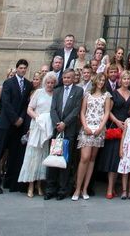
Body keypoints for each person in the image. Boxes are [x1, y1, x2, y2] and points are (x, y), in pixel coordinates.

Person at [0, 58, 32, 194]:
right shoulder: (8, 83)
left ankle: (9, 180)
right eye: (20, 68)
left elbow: (25, 103)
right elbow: (6, 103)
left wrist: (20, 118)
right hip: (5, 123)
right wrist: (15, 118)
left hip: (18, 125)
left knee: (14, 153)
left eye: (25, 68)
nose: (22, 70)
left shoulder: (27, 84)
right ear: (17, 68)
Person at [44, 67, 84, 200]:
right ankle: (50, 189)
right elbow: (53, 109)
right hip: (57, 130)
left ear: (73, 78)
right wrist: (57, 124)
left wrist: (64, 124)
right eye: (65, 77)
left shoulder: (78, 91)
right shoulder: (57, 90)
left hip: (69, 130)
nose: (66, 80)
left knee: (65, 160)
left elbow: (76, 110)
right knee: (53, 159)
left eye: (69, 78)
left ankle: (62, 189)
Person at [72, 72, 111, 200]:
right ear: (95, 81)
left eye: (103, 80)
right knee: (85, 157)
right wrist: (85, 126)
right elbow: (82, 112)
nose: (101, 82)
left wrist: (101, 127)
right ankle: (77, 188)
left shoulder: (106, 95)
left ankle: (85, 189)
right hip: (87, 128)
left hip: (98, 130)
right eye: (99, 80)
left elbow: (106, 113)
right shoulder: (87, 94)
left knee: (92, 159)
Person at [18, 71, 56, 197]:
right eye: (48, 82)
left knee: (43, 156)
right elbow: (29, 109)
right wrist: (37, 117)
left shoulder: (56, 95)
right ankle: (30, 185)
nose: (50, 85)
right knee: (33, 156)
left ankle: (40, 185)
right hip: (36, 126)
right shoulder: (38, 93)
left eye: (52, 83)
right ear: (44, 82)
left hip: (47, 129)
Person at [99, 69, 130, 199]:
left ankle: (121, 188)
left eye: (128, 79)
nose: (126, 81)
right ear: (120, 80)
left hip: (129, 129)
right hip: (116, 127)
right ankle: (110, 188)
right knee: (113, 158)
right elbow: (108, 111)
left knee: (123, 158)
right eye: (124, 79)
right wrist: (117, 122)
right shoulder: (113, 93)